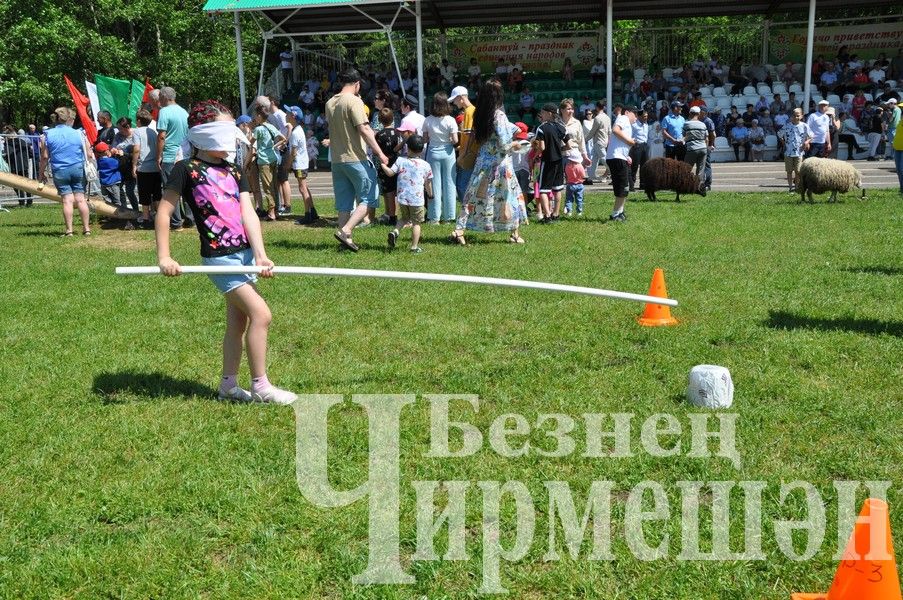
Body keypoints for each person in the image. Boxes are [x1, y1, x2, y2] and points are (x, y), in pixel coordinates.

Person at [155, 99, 296, 405]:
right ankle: (261, 385)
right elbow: (164, 212)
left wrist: (260, 255)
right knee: (262, 314)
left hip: (244, 256)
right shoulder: (186, 169)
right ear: (206, 133)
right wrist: (164, 256)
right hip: (219, 259)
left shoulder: (233, 170)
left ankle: (228, 386)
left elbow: (248, 213)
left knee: (239, 322)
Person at [449, 79, 526, 245]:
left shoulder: (479, 114)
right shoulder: (499, 115)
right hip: (500, 163)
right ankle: (514, 233)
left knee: (473, 196)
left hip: (482, 161)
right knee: (508, 196)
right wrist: (516, 143)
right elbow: (505, 144)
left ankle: (459, 229)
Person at [330, 69, 389, 252]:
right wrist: (380, 154)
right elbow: (364, 129)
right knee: (369, 198)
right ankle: (346, 230)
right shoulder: (355, 101)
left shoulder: (330, 102)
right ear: (357, 84)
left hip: (337, 160)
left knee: (344, 203)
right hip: (356, 158)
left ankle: (344, 239)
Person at [38, 107, 91, 236]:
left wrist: (41, 173)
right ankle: (86, 229)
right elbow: (89, 153)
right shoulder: (79, 133)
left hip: (60, 170)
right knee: (81, 199)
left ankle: (69, 231)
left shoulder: (47, 135)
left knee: (67, 200)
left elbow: (45, 157)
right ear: (68, 118)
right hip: (78, 168)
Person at [381, 134, 432, 253]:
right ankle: (414, 247)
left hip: (402, 198)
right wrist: (430, 194)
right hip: (417, 199)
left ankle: (395, 231)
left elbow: (390, 173)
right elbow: (428, 182)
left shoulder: (400, 161)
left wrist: (383, 165)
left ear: (407, 148)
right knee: (416, 223)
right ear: (422, 150)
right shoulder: (426, 165)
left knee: (404, 218)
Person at [156, 86, 190, 229]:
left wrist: (158, 156)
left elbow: (162, 136)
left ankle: (176, 222)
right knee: (187, 188)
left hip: (170, 155)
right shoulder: (184, 112)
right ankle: (190, 218)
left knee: (171, 189)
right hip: (185, 153)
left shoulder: (164, 112)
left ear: (164, 97)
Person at [422, 91, 459, 224]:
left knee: (434, 184)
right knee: (450, 184)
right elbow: (455, 140)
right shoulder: (451, 120)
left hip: (433, 152)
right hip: (448, 152)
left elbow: (425, 139)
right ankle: (449, 216)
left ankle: (434, 217)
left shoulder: (427, 120)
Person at [533, 102, 568, 223]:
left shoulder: (541, 128)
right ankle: (556, 214)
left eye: (542, 112)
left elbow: (541, 147)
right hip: (559, 161)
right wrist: (560, 149)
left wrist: (535, 156)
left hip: (547, 161)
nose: (541, 115)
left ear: (549, 113)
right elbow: (568, 145)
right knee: (557, 189)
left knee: (543, 189)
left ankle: (547, 216)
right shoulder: (561, 127)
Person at [252, 105, 285, 221]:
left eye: (256, 115)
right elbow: (283, 138)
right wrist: (273, 147)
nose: (255, 118)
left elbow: (251, 143)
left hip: (264, 161)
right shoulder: (271, 126)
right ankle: (276, 209)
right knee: (274, 184)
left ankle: (271, 212)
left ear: (260, 116)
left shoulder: (258, 129)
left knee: (267, 187)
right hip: (273, 159)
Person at [374, 108, 405, 227]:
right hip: (396, 162)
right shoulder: (397, 133)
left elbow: (376, 150)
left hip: (384, 164)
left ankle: (391, 216)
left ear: (380, 121)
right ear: (392, 119)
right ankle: (395, 214)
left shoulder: (379, 134)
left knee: (388, 192)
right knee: (396, 190)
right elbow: (399, 147)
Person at [286, 106, 316, 224]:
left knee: (302, 189)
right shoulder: (298, 129)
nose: (286, 114)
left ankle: (307, 215)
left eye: (288, 112)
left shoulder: (295, 132)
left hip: (299, 164)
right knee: (305, 188)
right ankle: (312, 212)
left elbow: (293, 152)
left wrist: (288, 165)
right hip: (302, 163)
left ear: (293, 116)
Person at [132, 109, 161, 227]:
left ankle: (145, 217)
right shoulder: (153, 132)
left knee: (144, 193)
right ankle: (159, 216)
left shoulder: (137, 132)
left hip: (144, 167)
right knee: (157, 193)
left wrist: (134, 165)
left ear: (138, 120)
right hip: (155, 166)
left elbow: (136, 149)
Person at [607, 105, 636, 221]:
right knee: (622, 186)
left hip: (620, 157)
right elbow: (615, 130)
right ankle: (615, 214)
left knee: (624, 186)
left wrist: (627, 155)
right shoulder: (623, 118)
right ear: (627, 112)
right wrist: (630, 141)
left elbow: (618, 143)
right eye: (635, 114)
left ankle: (620, 211)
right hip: (616, 157)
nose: (636, 118)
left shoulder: (627, 124)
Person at [450, 86, 478, 201]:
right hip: (471, 152)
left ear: (461, 98)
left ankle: (467, 213)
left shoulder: (468, 112)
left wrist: (463, 154)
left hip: (469, 154)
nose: (454, 103)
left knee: (462, 186)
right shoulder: (473, 110)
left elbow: (469, 135)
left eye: (455, 100)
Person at [778, 108, 810, 193]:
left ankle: (797, 187)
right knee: (789, 171)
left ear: (802, 116)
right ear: (791, 116)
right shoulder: (787, 126)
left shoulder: (805, 126)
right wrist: (783, 143)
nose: (796, 117)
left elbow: (811, 136)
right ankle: (790, 187)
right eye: (794, 116)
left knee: (798, 171)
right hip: (788, 152)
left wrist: (806, 142)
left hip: (799, 152)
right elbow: (779, 134)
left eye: (798, 115)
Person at [3, 125, 32, 206]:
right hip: (24, 166)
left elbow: (8, 155)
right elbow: (30, 154)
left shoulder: (8, 144)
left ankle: (22, 202)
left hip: (14, 167)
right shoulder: (23, 142)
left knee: (17, 185)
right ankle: (29, 201)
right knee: (26, 184)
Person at [587, 102, 611, 184]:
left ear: (597, 107)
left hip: (598, 141)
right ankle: (591, 176)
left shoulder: (597, 118)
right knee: (594, 159)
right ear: (603, 107)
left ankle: (613, 171)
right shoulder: (607, 117)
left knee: (603, 158)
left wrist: (585, 140)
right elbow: (609, 131)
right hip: (605, 141)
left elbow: (592, 132)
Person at [683, 106, 708, 181]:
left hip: (692, 148)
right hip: (703, 148)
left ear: (690, 113)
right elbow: (706, 138)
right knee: (700, 171)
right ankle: (700, 187)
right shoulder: (703, 124)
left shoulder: (687, 124)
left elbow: (684, 136)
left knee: (686, 169)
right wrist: (705, 148)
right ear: (699, 113)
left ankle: (685, 186)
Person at [95, 142, 124, 206]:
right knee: (117, 202)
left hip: (103, 184)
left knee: (108, 202)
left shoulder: (99, 160)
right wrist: (120, 155)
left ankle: (109, 215)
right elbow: (120, 163)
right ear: (106, 151)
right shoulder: (110, 161)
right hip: (112, 184)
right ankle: (117, 215)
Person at [628, 109, 649, 192]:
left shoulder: (646, 125)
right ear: (639, 116)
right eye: (644, 116)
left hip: (644, 146)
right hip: (636, 146)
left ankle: (642, 184)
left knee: (644, 166)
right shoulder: (634, 125)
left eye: (647, 116)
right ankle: (631, 184)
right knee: (635, 165)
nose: (646, 118)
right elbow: (630, 135)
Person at [563, 149, 586, 217]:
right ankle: (579, 211)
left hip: (570, 184)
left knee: (569, 199)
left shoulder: (567, 166)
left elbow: (566, 175)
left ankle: (569, 211)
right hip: (579, 184)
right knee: (579, 199)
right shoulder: (580, 166)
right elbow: (583, 176)